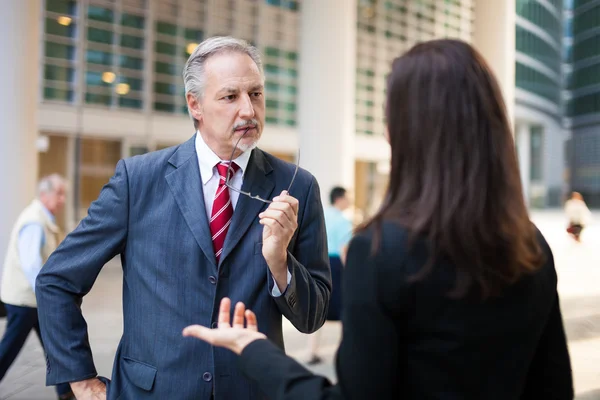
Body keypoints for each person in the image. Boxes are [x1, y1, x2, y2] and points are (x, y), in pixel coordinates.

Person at [183, 39, 574, 399]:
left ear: (406, 131)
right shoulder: (531, 245)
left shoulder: (383, 252)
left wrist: (254, 351)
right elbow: (554, 386)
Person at [35, 36, 331, 400]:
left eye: (255, 94)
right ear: (195, 105)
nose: (249, 110)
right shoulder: (138, 180)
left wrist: (280, 263)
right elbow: (57, 280)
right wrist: (81, 382)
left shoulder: (296, 185)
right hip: (153, 391)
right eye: (230, 96)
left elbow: (313, 316)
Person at [0, 174, 73, 399]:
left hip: (32, 299)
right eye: (58, 193)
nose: (62, 199)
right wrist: (46, 295)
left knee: (54, 345)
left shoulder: (42, 218)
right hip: (27, 300)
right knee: (10, 348)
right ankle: (66, 390)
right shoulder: (35, 221)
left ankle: (65, 390)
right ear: (44, 194)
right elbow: (31, 264)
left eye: (64, 194)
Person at [306, 186, 352, 365]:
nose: (349, 201)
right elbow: (344, 250)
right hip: (336, 266)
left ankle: (311, 352)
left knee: (319, 307)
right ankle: (344, 354)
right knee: (344, 310)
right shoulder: (343, 221)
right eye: (348, 197)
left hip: (319, 262)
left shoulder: (321, 214)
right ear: (339, 199)